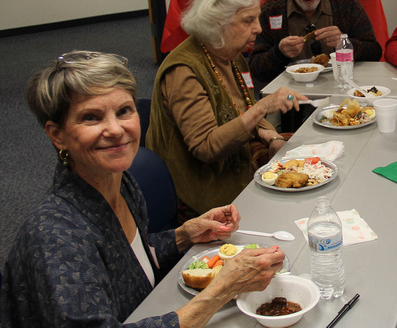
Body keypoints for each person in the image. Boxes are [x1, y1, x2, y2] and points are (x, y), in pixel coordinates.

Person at [0, 51, 286, 327]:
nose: (115, 129)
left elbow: (129, 264)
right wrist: (220, 291)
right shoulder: (56, 236)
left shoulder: (120, 181)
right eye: (91, 117)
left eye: (124, 111)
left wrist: (183, 236)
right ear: (57, 135)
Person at [147, 0, 307, 220]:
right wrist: (263, 107)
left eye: (258, 18)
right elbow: (205, 147)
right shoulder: (183, 71)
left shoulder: (230, 56)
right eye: (248, 20)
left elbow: (242, 109)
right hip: (199, 193)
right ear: (216, 22)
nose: (257, 29)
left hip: (236, 165)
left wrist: (271, 136)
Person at [248, 0, 382, 83]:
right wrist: (279, 53)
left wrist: (345, 44)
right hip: (289, 96)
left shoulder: (345, 3)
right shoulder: (272, 10)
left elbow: (374, 52)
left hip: (340, 89)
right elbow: (256, 69)